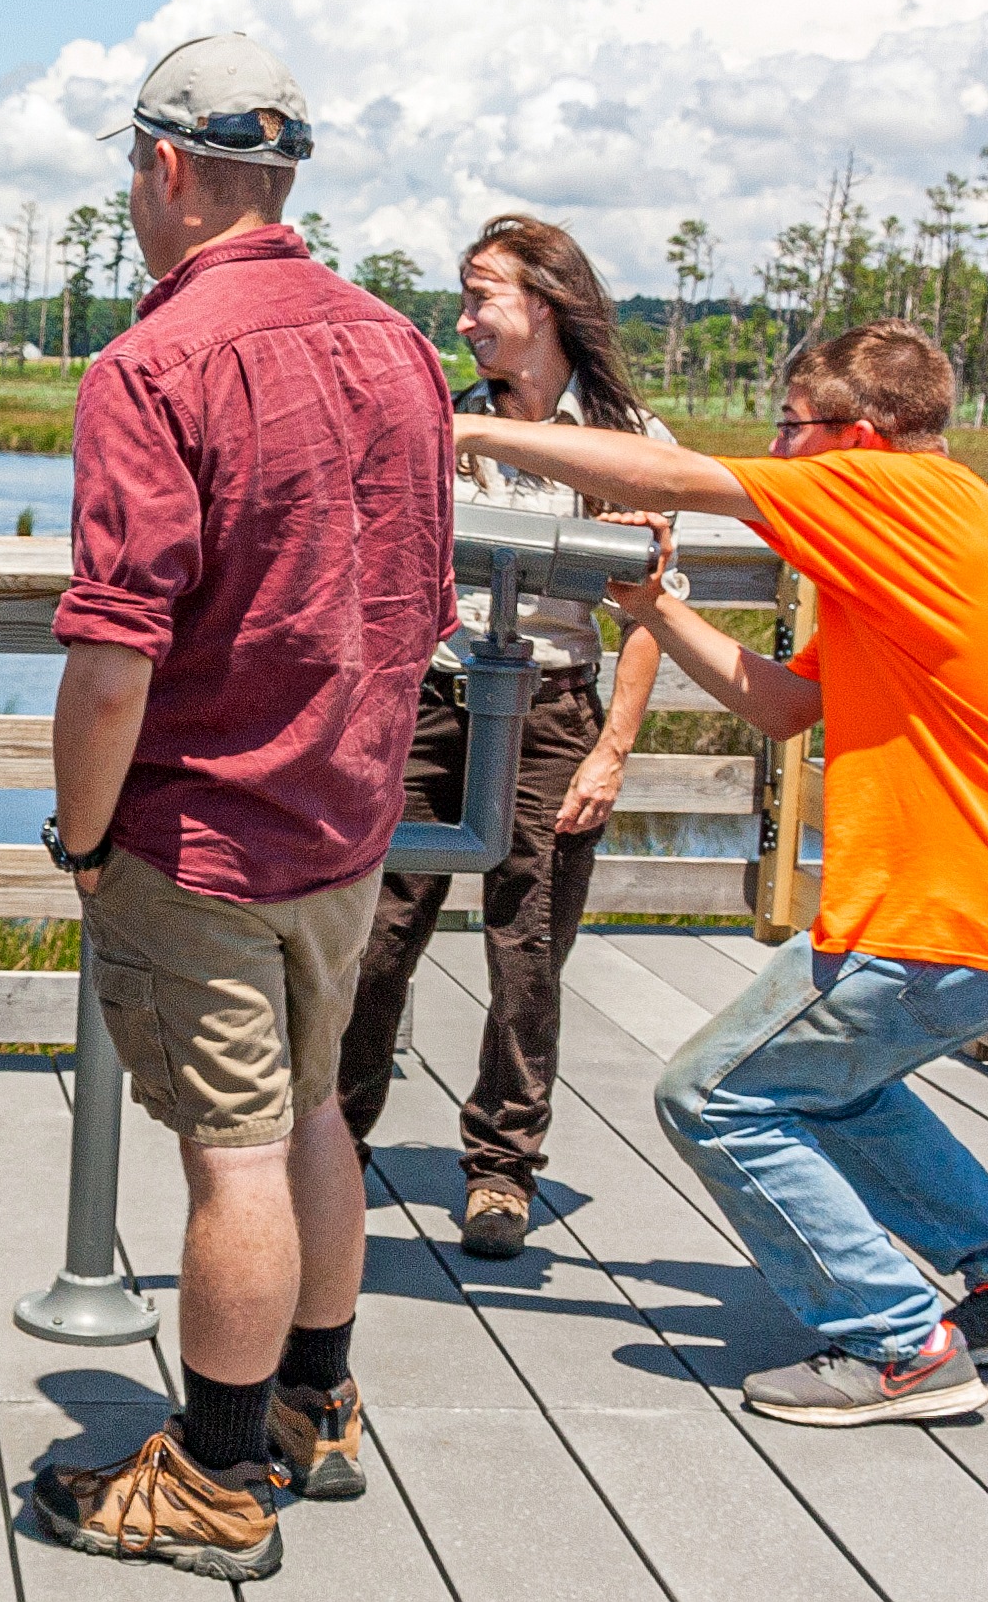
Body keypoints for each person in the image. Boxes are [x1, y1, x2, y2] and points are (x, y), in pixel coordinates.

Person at [453, 320, 988, 1428]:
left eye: (788, 425)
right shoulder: (939, 529)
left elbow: (666, 474)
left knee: (713, 1095)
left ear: (857, 436)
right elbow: (782, 706)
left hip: (960, 907)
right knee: (833, 1086)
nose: (772, 447)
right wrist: (652, 605)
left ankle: (898, 1342)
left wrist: (464, 429)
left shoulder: (897, 495)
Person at [29, 34, 454, 1579]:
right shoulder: (398, 348)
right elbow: (418, 597)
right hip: (346, 823)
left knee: (233, 1152)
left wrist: (83, 841)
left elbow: (109, 661)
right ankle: (311, 1404)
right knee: (312, 1108)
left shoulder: (152, 364)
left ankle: (214, 1481)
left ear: (163, 168)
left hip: (203, 833)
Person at [333, 216, 674, 1261]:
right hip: (428, 705)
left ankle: (500, 1169)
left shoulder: (627, 441)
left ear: (547, 305)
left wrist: (610, 751)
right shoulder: (435, 424)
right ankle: (334, 1144)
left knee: (528, 950)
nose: (464, 319)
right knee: (375, 936)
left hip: (551, 711)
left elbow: (651, 617)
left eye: (482, 296)